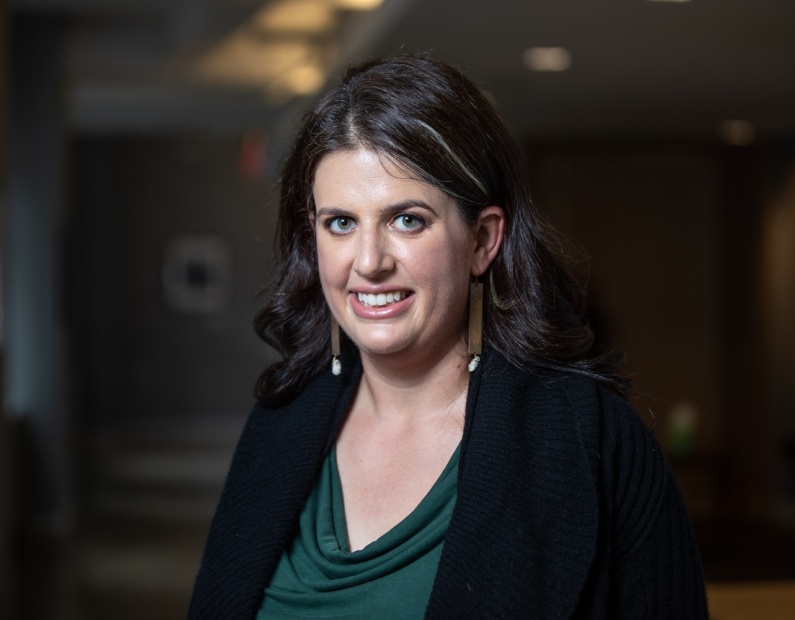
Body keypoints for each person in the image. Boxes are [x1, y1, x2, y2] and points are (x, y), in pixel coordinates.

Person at [189, 54, 708, 619]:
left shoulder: (594, 442)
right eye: (341, 222)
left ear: (483, 241)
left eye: (407, 219)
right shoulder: (281, 422)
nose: (368, 262)